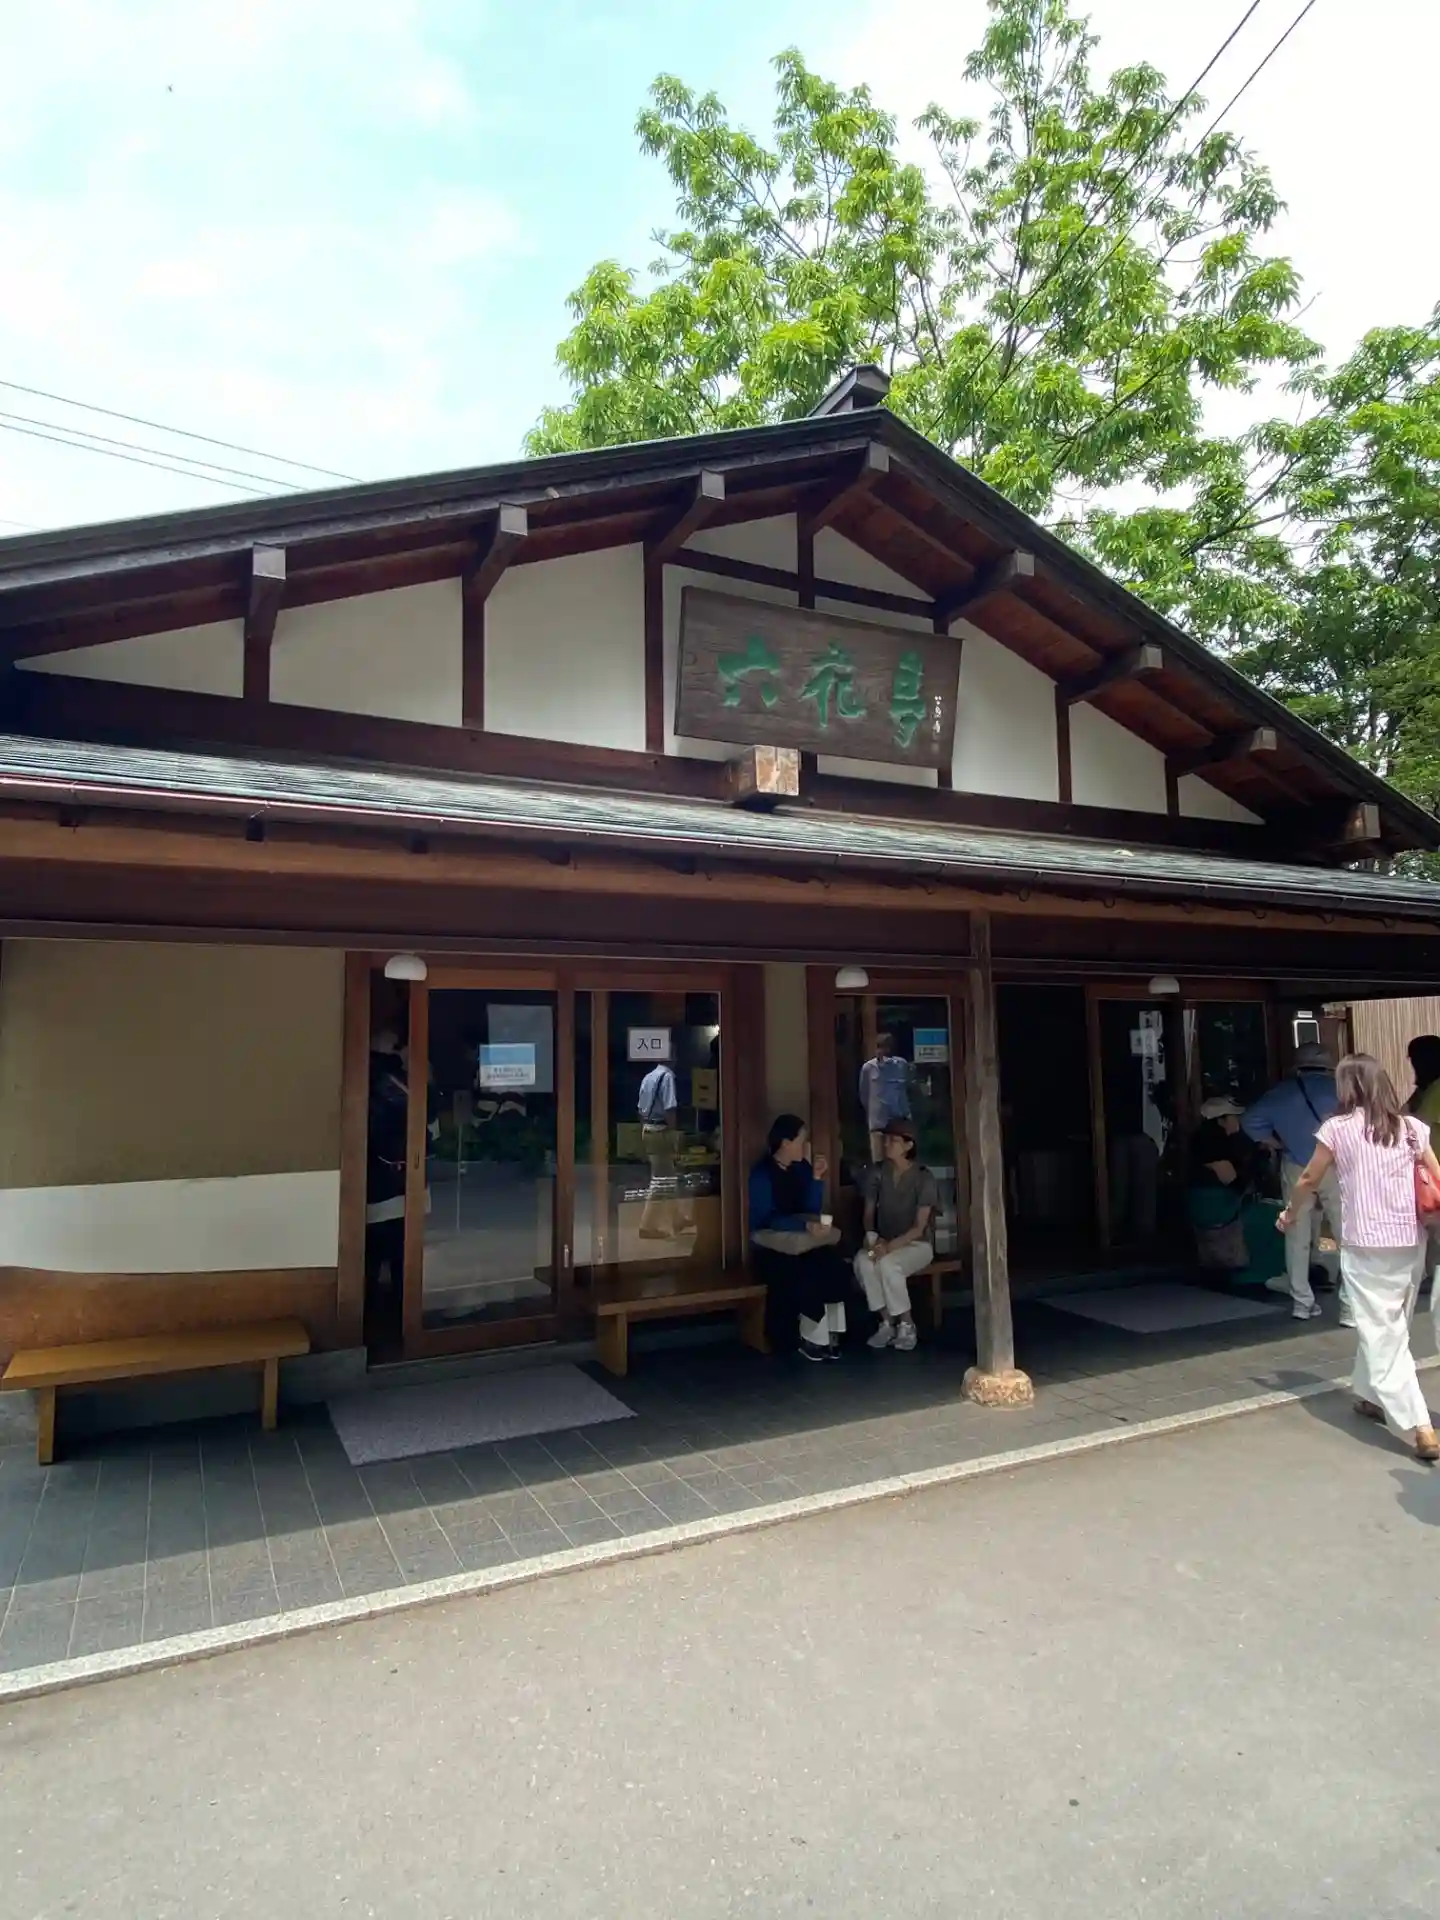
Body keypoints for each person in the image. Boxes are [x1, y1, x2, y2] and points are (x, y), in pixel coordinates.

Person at [1279, 1053, 1440, 1462]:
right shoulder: (1412, 1128)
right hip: (1410, 1240)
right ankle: (1370, 1396)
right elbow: (1437, 1176)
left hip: (1365, 1242)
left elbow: (1309, 1177)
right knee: (1391, 1325)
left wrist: (1290, 1214)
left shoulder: (1337, 1129)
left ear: (1347, 1087)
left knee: (1382, 1332)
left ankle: (1419, 1423)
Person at [1241, 1042, 1341, 1320]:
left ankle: (1301, 1302)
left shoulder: (1280, 1092)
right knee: (1345, 1232)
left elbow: (1249, 1121)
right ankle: (1349, 1303)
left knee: (1296, 1232)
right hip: (1335, 1166)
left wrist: (1275, 1142)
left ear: (1297, 1066)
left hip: (1296, 1165)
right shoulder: (1341, 1090)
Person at [748, 1114, 850, 1362]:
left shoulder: (801, 1168)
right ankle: (810, 1338)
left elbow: (810, 1208)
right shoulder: (762, 1174)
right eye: (801, 1141)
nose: (805, 1147)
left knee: (832, 1264)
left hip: (804, 1240)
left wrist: (816, 1179)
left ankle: (833, 1333)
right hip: (773, 1246)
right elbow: (766, 1218)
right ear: (786, 1143)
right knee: (804, 1272)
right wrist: (803, 1225)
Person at [854, 1119, 938, 1351]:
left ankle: (907, 1325)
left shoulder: (923, 1177)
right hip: (883, 1242)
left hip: (916, 1245)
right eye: (885, 1139)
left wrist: (889, 1247)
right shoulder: (877, 1172)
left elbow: (919, 1227)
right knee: (863, 1261)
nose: (886, 1144)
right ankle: (886, 1323)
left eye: (893, 1140)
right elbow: (868, 1213)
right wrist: (872, 1237)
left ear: (908, 1145)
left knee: (888, 1265)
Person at [1185, 1096, 1283, 1285]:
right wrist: (1258, 1162)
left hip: (1216, 1204)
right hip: (1217, 1208)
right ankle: (1260, 1273)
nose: (1238, 1120)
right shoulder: (1211, 1145)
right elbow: (1236, 1184)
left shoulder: (1220, 1141)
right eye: (1233, 1116)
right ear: (1220, 1120)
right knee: (1275, 1216)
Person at [637, 1055, 693, 1242]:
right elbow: (670, 1109)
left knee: (667, 1177)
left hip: (648, 1129)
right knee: (661, 1180)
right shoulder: (667, 1077)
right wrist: (673, 1134)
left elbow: (640, 1110)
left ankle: (677, 1219)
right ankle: (647, 1226)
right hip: (661, 1131)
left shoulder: (648, 1077)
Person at [859, 1032, 912, 1164]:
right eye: (880, 1047)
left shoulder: (901, 1065)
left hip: (898, 1120)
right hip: (878, 1123)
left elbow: (907, 1088)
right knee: (879, 1160)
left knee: (900, 1159)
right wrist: (873, 1111)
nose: (883, 1051)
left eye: (886, 1047)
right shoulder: (868, 1068)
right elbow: (864, 1094)